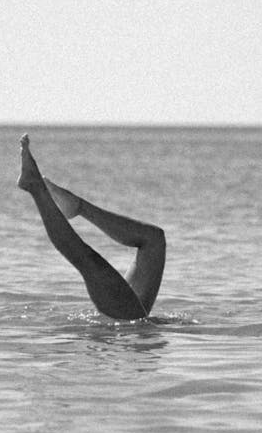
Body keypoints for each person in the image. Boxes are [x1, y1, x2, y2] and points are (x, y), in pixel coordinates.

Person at [17, 133, 165, 320]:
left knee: (86, 258)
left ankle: (35, 187)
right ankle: (79, 207)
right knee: (154, 239)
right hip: (133, 322)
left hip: (128, 321)